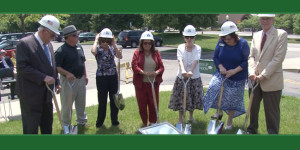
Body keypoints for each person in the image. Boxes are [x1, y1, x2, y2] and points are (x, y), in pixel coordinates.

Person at [16, 15, 61, 134]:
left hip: (47, 95)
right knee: (31, 129)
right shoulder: (24, 44)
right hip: (31, 97)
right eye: (52, 35)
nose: (53, 38)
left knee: (47, 128)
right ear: (43, 30)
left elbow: (52, 65)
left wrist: (57, 81)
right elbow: (22, 67)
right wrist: (43, 77)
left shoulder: (49, 45)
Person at [202, 21, 250, 130]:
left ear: (234, 36)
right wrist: (221, 67)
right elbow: (215, 57)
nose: (226, 41)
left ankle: (229, 122)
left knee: (233, 98)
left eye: (228, 39)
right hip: (222, 73)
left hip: (237, 76)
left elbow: (245, 61)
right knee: (214, 87)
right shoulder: (221, 42)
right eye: (224, 38)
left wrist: (234, 71)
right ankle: (218, 111)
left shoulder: (243, 44)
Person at [247, 14, 287, 134]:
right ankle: (252, 130)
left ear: (273, 20)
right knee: (253, 108)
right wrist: (252, 72)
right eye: (262, 18)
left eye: (267, 18)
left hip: (271, 79)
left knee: (271, 111)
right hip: (254, 79)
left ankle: (272, 133)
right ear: (259, 20)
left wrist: (263, 75)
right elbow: (251, 56)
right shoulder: (257, 35)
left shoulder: (281, 34)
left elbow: (278, 58)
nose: (265, 21)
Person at [54, 25, 88, 129]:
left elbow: (82, 62)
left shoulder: (79, 47)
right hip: (68, 81)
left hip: (80, 79)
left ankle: (82, 122)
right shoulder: (61, 50)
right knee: (67, 105)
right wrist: (67, 73)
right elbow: (56, 67)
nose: (77, 37)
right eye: (75, 35)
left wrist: (85, 75)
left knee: (81, 102)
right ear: (67, 37)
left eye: (77, 34)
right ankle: (66, 125)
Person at [168, 25, 203, 124]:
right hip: (181, 77)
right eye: (187, 37)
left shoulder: (198, 48)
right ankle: (180, 119)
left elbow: (196, 59)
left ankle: (191, 117)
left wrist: (191, 71)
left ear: (194, 38)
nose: (189, 39)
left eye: (191, 37)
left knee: (193, 97)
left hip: (194, 77)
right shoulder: (180, 47)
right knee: (181, 98)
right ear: (184, 37)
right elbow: (180, 59)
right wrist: (183, 70)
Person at [132, 31, 164, 127]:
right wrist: (143, 72)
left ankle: (153, 122)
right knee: (142, 105)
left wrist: (156, 73)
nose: (147, 45)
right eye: (145, 43)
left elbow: (162, 67)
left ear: (152, 43)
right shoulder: (137, 53)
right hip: (141, 83)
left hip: (153, 83)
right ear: (141, 43)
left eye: (149, 43)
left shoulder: (156, 53)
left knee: (153, 103)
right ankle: (145, 124)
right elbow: (134, 65)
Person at [91, 28, 122, 128]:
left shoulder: (112, 48)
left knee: (114, 99)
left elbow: (120, 56)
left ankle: (114, 120)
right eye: (103, 41)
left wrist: (113, 44)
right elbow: (93, 51)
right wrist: (96, 40)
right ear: (100, 40)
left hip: (113, 76)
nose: (105, 43)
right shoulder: (98, 49)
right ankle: (99, 122)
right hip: (101, 78)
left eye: (107, 41)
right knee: (102, 101)